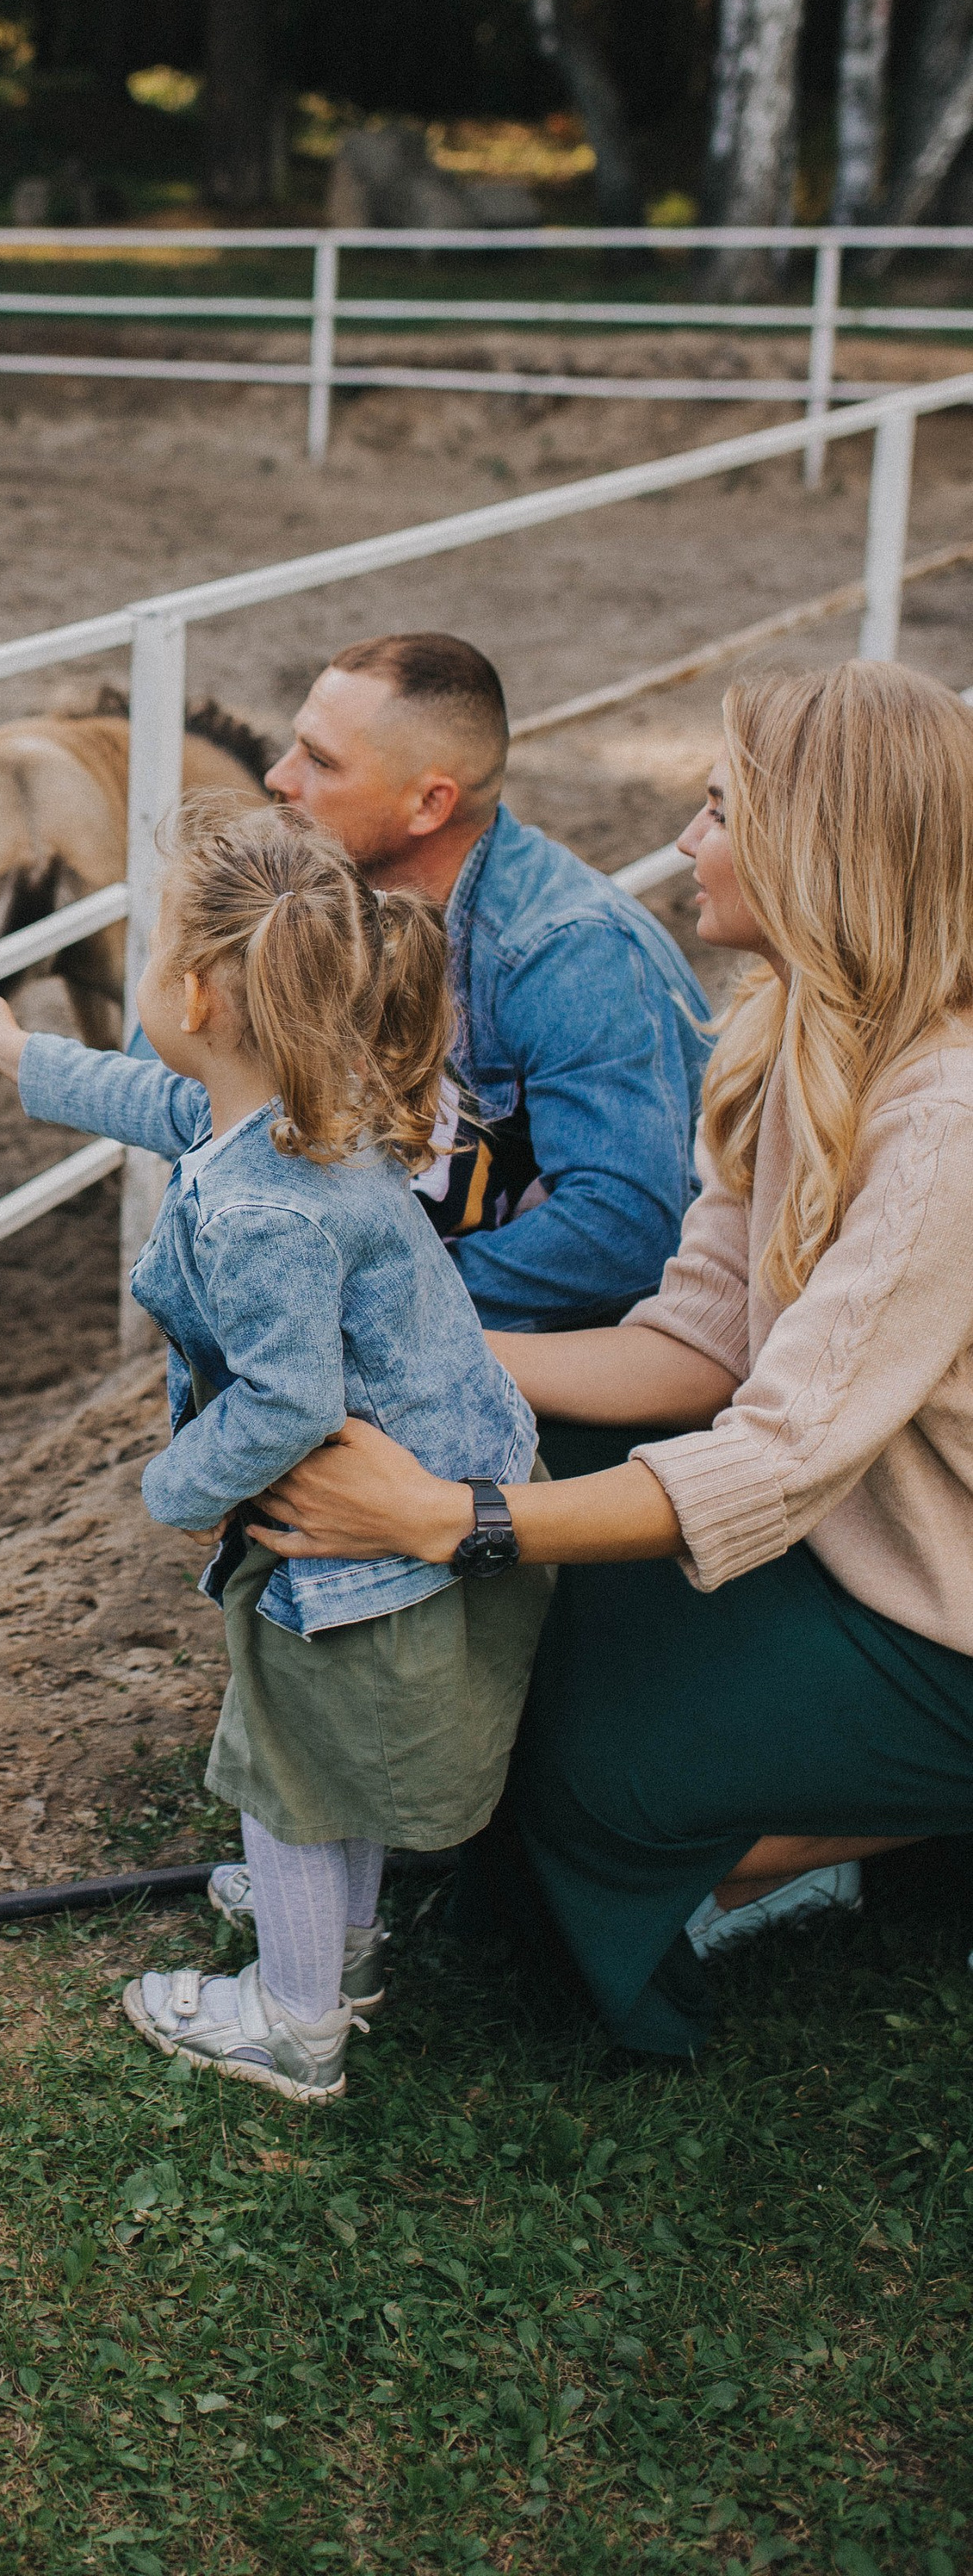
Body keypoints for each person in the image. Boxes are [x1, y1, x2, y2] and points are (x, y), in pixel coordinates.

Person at [237, 661, 973, 2058]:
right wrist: (406, 1368)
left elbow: (774, 1453)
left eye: (716, 811)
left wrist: (449, 1522)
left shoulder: (947, 1127)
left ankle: (883, 1829)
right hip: (842, 1528)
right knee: (533, 1608)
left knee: (593, 1785)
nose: (686, 843)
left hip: (944, 1608)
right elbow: (691, 1345)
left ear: (824, 852)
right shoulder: (790, 1035)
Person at [0, 796, 554, 2104]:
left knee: (289, 1766)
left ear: (203, 993)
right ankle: (345, 1939)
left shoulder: (264, 1210)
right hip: (445, 1491)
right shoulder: (304, 1107)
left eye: (154, 950)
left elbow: (283, 1404)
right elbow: (159, 1099)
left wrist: (176, 1486)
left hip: (353, 1539)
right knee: (342, 1753)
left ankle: (293, 2019)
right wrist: (18, 1051)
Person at [265, 633, 711, 1338]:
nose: (280, 777)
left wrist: (376, 1306)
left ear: (428, 805)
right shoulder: (355, 895)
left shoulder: (566, 953)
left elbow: (623, 1229)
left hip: (594, 1353)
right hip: (470, 1315)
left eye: (320, 760)